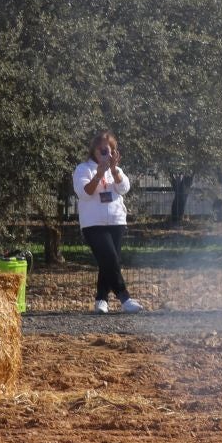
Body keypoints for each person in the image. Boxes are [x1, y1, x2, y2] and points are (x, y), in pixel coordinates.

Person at [73, 130, 144, 314]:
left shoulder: (116, 170)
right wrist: (98, 175)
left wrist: (113, 171)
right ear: (94, 150)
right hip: (93, 224)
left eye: (109, 150)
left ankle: (101, 300)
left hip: (116, 221)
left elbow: (124, 188)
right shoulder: (83, 169)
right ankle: (125, 298)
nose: (106, 153)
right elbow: (84, 192)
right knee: (110, 259)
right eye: (102, 150)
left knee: (108, 262)